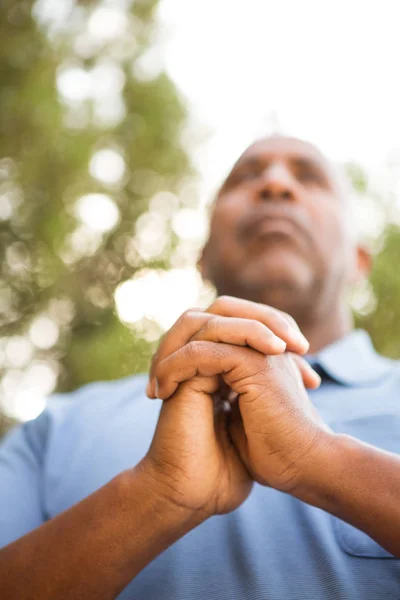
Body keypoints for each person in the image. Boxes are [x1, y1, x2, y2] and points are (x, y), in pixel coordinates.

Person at [1, 135, 400, 600]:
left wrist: (323, 462)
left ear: (359, 261)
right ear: (203, 259)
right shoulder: (55, 430)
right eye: (245, 177)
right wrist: (156, 493)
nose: (274, 184)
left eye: (308, 177)